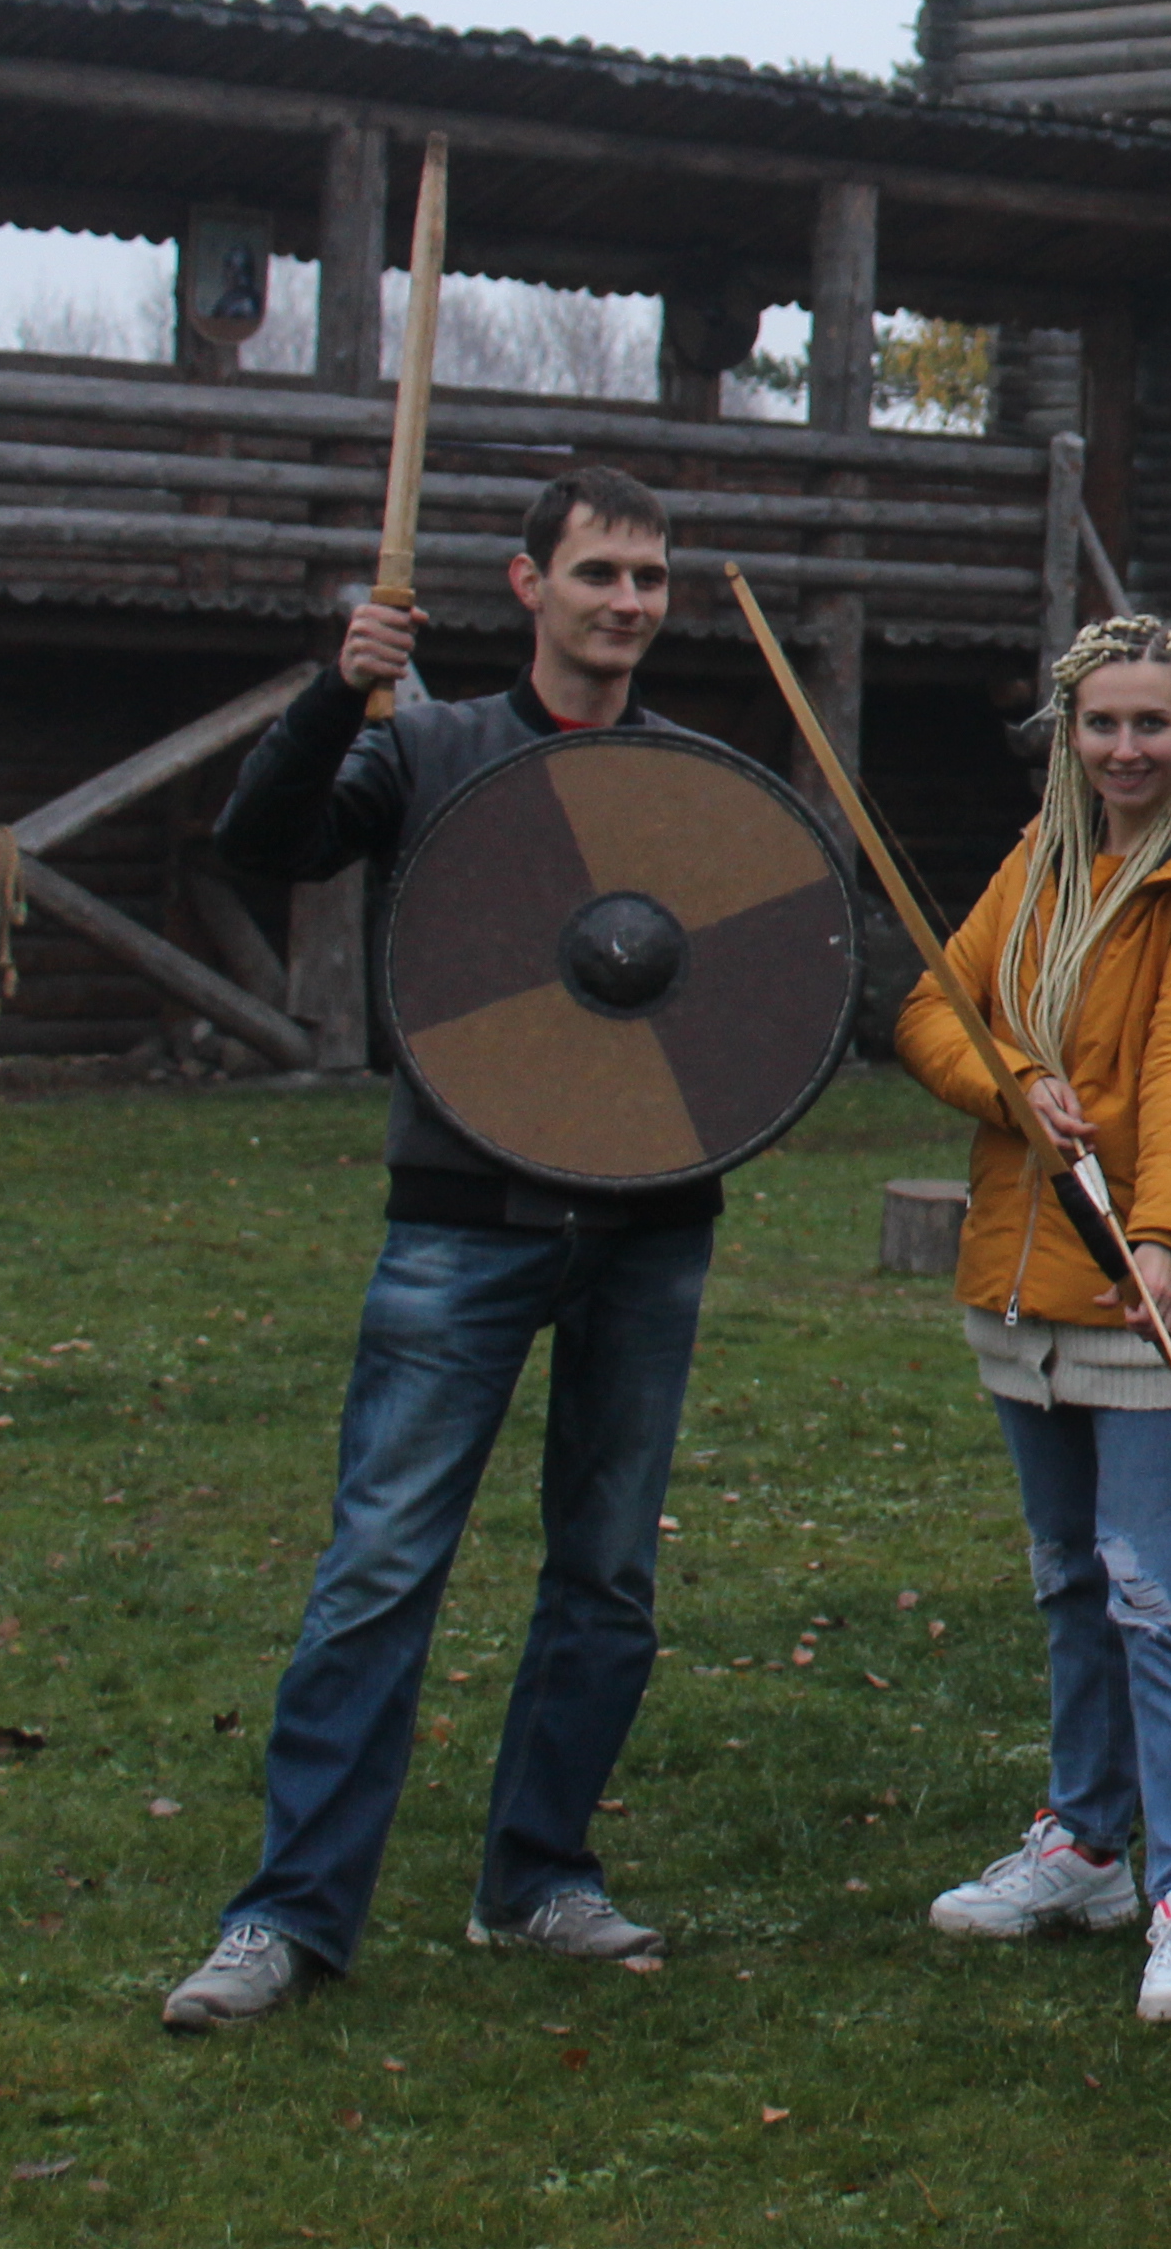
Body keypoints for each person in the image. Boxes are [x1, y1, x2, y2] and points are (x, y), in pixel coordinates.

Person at [165, 468, 719, 2034]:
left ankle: (539, 1877)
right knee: (379, 1570)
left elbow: (756, 988)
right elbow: (263, 839)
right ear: (525, 582)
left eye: (650, 578)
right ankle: (288, 1916)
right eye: (601, 572)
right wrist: (331, 704)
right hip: (461, 1223)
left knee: (606, 1576)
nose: (628, 602)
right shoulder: (431, 752)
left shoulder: (691, 785)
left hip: (648, 1223)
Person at [899, 615, 1171, 2027]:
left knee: (1158, 1597)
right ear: (1070, 736)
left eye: (1152, 726)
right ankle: (1084, 1844)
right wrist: (1011, 1076)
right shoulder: (1039, 859)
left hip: (1150, 1278)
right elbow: (932, 1010)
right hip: (1025, 1270)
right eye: (1102, 726)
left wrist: (1169, 1241)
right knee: (1072, 1577)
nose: (1128, 750)